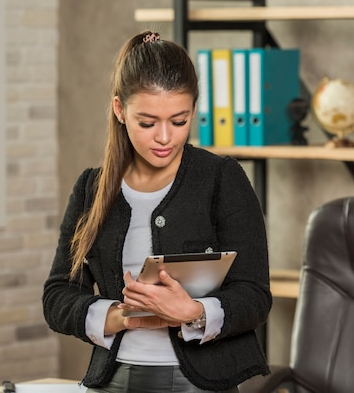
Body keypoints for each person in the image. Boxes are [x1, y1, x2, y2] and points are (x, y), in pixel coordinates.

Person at [42, 31, 272, 393]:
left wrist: (194, 312)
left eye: (179, 121)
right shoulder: (92, 188)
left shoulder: (221, 179)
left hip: (203, 382)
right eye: (147, 123)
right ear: (120, 110)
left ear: (194, 109)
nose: (164, 137)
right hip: (114, 378)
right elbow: (58, 296)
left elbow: (255, 295)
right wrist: (120, 317)